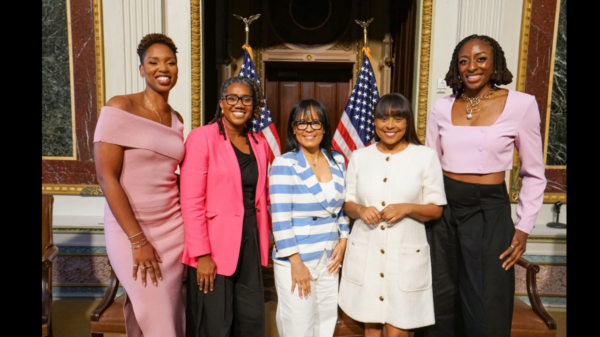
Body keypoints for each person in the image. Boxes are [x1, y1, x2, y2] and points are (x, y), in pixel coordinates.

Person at [417, 34, 547, 337]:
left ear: (495, 63)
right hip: (444, 209)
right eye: (464, 61)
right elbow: (429, 165)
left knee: (486, 297)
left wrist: (523, 227)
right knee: (441, 294)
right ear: (456, 67)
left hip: (489, 209)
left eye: (480, 58)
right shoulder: (441, 107)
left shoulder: (522, 104)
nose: (471, 66)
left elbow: (534, 173)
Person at [93, 33, 185, 337]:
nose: (163, 68)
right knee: (159, 319)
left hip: (173, 230)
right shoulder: (121, 106)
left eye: (170, 62)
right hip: (131, 231)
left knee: (167, 314)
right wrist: (138, 240)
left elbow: (171, 174)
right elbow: (107, 178)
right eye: (154, 62)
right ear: (141, 69)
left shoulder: (177, 119)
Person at [338, 93, 446, 337]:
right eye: (383, 118)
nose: (390, 125)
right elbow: (348, 203)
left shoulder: (425, 157)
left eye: (397, 119)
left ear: (407, 122)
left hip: (405, 255)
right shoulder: (359, 157)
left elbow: (436, 209)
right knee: (371, 329)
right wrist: (361, 210)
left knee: (398, 330)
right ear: (374, 122)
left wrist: (407, 207)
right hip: (367, 251)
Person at [180, 76, 271, 337]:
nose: (238, 104)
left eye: (246, 99)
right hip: (214, 246)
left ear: (254, 106)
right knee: (215, 323)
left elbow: (261, 197)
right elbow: (191, 201)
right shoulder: (202, 138)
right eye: (232, 98)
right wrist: (202, 255)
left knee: (250, 318)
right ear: (222, 103)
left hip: (250, 241)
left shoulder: (259, 143)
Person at [269, 99, 350, 337]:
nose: (309, 128)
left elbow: (341, 208)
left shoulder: (338, 160)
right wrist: (295, 262)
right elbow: (280, 218)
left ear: (324, 127)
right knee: (298, 326)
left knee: (325, 323)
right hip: (298, 258)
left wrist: (343, 240)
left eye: (315, 122)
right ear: (293, 128)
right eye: (302, 123)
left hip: (329, 257)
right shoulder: (285, 163)